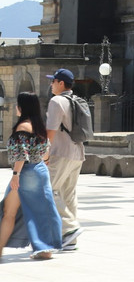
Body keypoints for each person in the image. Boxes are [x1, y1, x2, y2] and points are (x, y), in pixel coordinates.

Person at [1, 92, 63, 260]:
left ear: (22, 107)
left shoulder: (22, 127)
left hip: (25, 173)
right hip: (40, 171)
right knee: (42, 210)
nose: (15, 107)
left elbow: (21, 154)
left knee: (8, 212)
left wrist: (15, 174)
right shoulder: (38, 126)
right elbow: (46, 153)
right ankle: (46, 249)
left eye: (17, 104)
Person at [45, 68, 84, 249]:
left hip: (60, 153)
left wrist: (45, 154)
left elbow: (50, 131)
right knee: (69, 195)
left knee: (47, 191)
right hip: (78, 153)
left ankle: (69, 228)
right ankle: (70, 240)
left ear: (61, 83)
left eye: (53, 81)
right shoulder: (77, 100)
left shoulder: (56, 101)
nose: (51, 84)